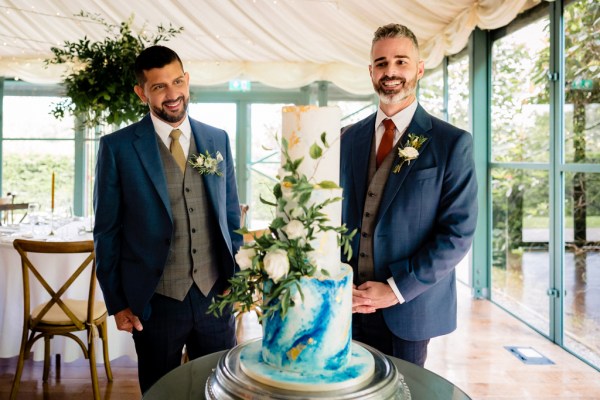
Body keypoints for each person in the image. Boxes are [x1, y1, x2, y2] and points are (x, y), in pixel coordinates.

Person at [93, 45, 242, 392]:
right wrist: (117, 303)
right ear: (141, 92)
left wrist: (235, 280)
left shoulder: (216, 139)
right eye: (159, 87)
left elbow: (231, 216)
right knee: (160, 392)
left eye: (177, 82)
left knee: (220, 390)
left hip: (214, 297)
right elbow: (107, 231)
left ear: (187, 80)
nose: (173, 95)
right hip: (155, 302)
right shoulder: (117, 147)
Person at [340, 23, 478, 367]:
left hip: (409, 309)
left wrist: (395, 289)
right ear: (371, 72)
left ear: (418, 68)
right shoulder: (346, 138)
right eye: (382, 63)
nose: (391, 72)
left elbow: (457, 234)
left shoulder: (452, 143)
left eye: (401, 62)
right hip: (346, 306)